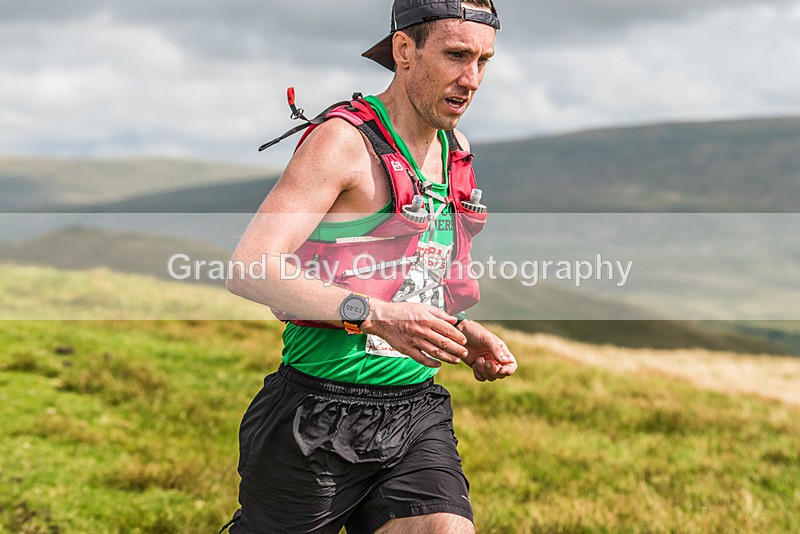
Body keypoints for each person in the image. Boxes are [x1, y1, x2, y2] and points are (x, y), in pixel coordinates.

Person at [222, 1, 516, 532]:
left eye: (483, 61)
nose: (471, 79)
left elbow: (410, 275)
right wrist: (377, 316)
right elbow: (250, 268)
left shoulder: (455, 150)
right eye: (455, 55)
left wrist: (452, 332)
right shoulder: (342, 144)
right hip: (315, 413)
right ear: (404, 50)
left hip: (415, 411)